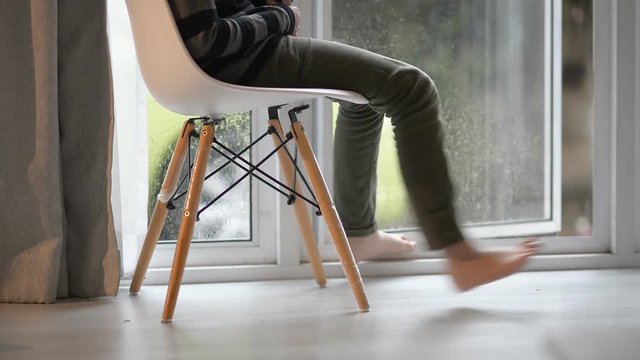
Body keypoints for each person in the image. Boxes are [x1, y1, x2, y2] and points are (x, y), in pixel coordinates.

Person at [167, 0, 540, 291]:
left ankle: (359, 233)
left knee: (365, 95)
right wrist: (280, 16)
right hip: (237, 64)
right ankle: (461, 258)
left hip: (244, 57)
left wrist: (270, 9)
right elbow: (206, 40)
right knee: (411, 88)